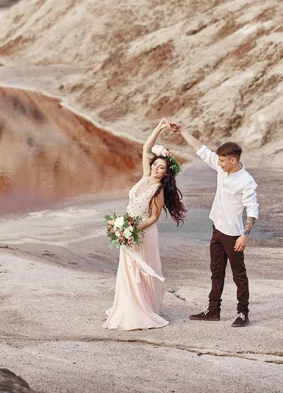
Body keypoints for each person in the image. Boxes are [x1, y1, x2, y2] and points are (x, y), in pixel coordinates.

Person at [169, 122, 258, 327]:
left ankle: (242, 313)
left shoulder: (246, 181)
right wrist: (182, 130)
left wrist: (245, 235)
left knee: (239, 275)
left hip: (234, 234)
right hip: (217, 228)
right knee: (216, 271)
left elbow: (252, 209)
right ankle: (213, 310)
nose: (219, 163)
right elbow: (200, 148)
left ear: (233, 160)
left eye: (223, 160)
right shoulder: (221, 168)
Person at [103, 118, 186, 330]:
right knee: (127, 271)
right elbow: (146, 147)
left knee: (137, 272)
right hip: (128, 229)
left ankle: (140, 309)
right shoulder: (145, 177)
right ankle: (126, 305)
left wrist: (131, 230)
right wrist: (159, 127)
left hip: (143, 233)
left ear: (166, 173)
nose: (158, 169)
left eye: (162, 168)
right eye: (156, 165)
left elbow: (153, 217)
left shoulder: (157, 189)